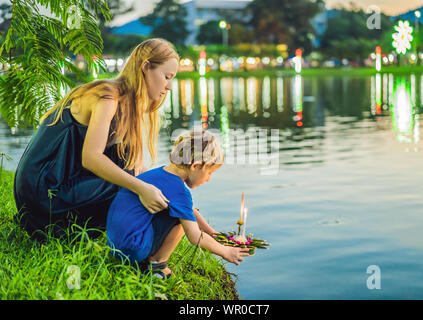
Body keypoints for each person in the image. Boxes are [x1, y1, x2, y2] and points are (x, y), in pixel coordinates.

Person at [13, 38, 178, 242]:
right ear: (146, 68)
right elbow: (91, 158)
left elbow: (139, 168)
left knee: (126, 160)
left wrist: (176, 197)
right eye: (167, 76)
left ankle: (120, 234)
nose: (169, 86)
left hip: (65, 183)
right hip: (42, 192)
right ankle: (133, 242)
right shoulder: (108, 96)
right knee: (129, 178)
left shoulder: (128, 105)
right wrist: (141, 188)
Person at [107, 129, 250, 278]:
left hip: (116, 245)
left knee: (182, 211)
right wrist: (225, 251)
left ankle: (149, 259)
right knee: (182, 219)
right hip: (132, 249)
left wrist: (211, 232)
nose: (208, 179)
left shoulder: (160, 174)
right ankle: (157, 266)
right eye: (209, 173)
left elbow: (189, 209)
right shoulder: (179, 191)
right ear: (195, 166)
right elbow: (195, 237)